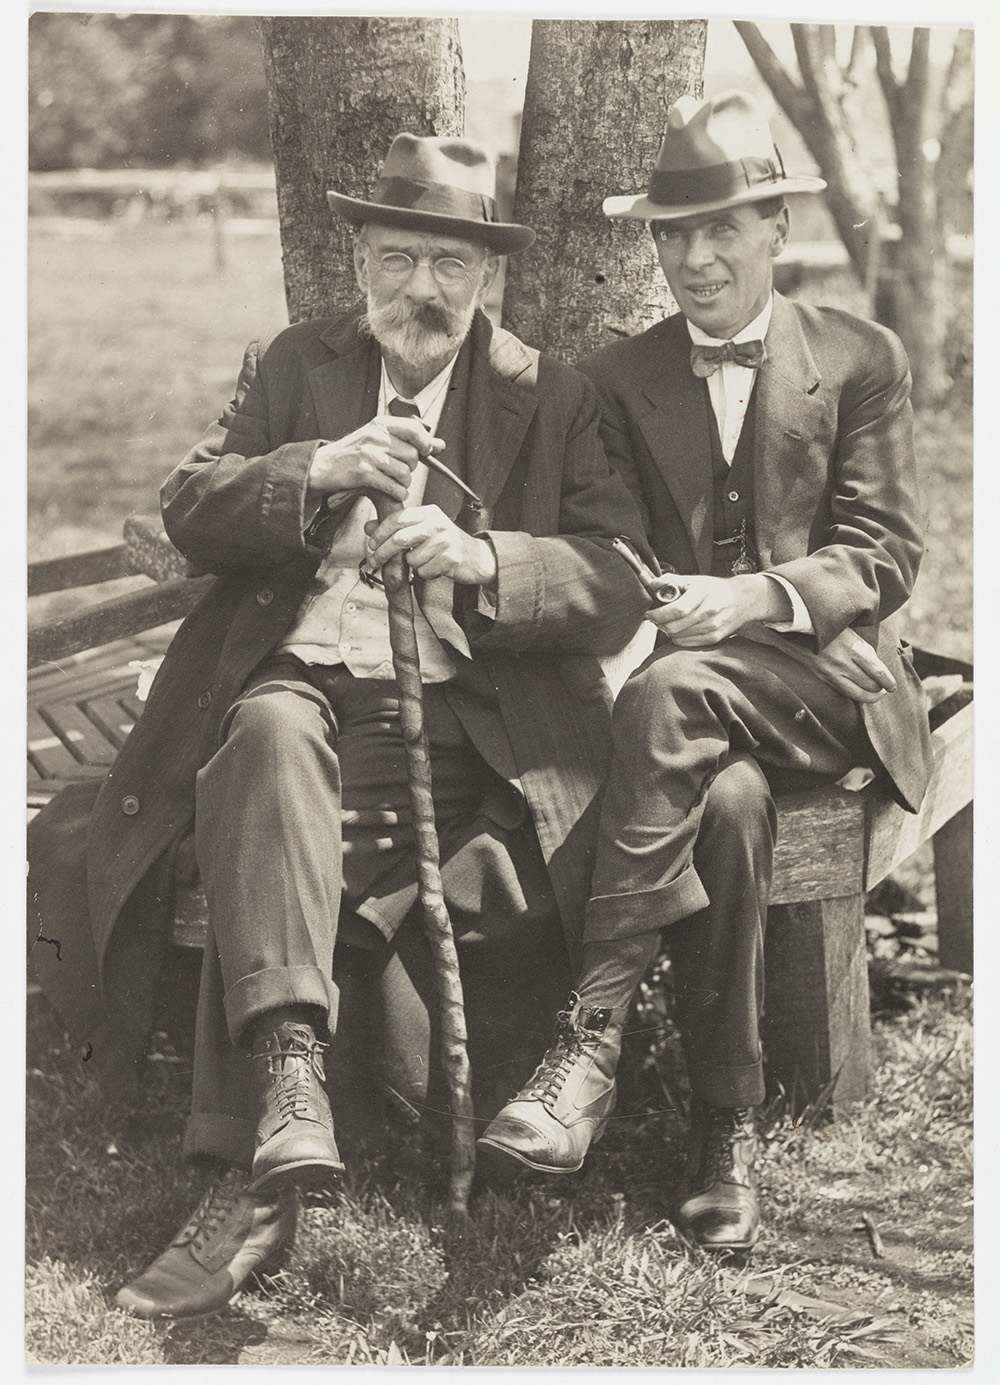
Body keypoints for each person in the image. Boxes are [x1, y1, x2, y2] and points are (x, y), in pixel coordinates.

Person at [29, 134, 652, 1320]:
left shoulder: (547, 393)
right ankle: (283, 1087)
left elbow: (617, 574)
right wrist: (313, 470)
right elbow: (189, 502)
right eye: (403, 255)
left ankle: (266, 1156)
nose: (426, 288)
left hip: (465, 725)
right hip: (303, 692)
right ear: (359, 256)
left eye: (453, 265)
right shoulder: (293, 365)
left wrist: (484, 558)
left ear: (487, 278)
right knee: (259, 741)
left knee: (313, 871)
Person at [476, 90, 933, 1252]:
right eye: (672, 234)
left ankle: (590, 1037)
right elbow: (620, 560)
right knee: (725, 803)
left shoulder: (861, 357)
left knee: (674, 695)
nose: (693, 257)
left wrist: (763, 599)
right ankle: (721, 1135)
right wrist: (678, 610)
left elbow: (882, 552)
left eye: (722, 226)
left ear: (777, 224)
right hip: (689, 708)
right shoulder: (617, 380)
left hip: (833, 691)